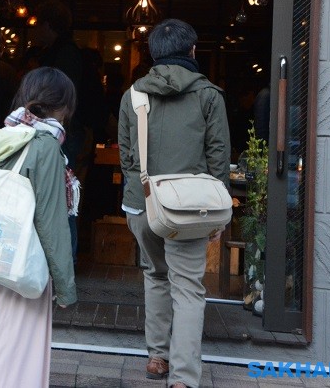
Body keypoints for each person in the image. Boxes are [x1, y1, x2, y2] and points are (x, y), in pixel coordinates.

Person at [117, 19, 231, 388]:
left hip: (143, 203)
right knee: (188, 286)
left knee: (155, 274)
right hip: (190, 208)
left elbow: (126, 156)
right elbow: (218, 157)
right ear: (192, 51)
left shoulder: (133, 95)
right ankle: (182, 377)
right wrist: (219, 213)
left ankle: (157, 357)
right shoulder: (209, 95)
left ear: (153, 54)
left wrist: (141, 190)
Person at [0, 67, 78, 388]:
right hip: (22, 269)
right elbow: (51, 221)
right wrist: (65, 286)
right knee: (16, 361)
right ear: (63, 107)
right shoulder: (47, 146)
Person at [31, 0, 86, 261]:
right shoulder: (66, 53)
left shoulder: (63, 56)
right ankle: (62, 262)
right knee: (63, 199)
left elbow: (61, 99)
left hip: (62, 134)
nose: (34, 30)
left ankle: (65, 262)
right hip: (64, 133)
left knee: (62, 200)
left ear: (48, 25)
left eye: (37, 24)